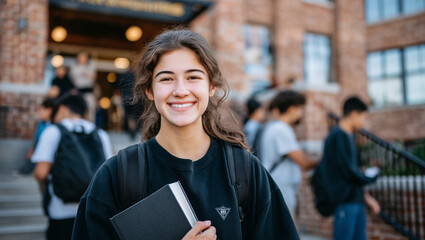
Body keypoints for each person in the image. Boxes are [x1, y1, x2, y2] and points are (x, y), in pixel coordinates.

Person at [72, 29, 299, 240]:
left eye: (193, 77)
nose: (180, 91)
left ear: (211, 87)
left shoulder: (246, 171)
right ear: (149, 90)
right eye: (166, 78)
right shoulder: (115, 176)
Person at [32, 93, 113, 240]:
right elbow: (109, 172)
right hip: (93, 212)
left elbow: (41, 173)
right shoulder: (100, 134)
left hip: (60, 211)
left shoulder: (53, 131)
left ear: (62, 109)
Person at [318, 96, 380, 240]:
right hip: (345, 203)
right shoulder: (337, 136)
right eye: (362, 117)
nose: (363, 122)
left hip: (356, 201)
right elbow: (347, 172)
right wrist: (369, 178)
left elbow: (354, 170)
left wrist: (367, 198)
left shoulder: (349, 136)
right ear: (353, 114)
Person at [259, 90, 319, 217]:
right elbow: (304, 162)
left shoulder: (273, 128)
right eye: (300, 109)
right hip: (281, 189)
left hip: (278, 188)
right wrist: (325, 158)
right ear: (292, 109)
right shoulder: (281, 129)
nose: (301, 113)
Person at [16, 97, 56, 175]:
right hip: (38, 145)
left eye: (42, 110)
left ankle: (30, 168)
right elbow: (37, 137)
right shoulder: (41, 123)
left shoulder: (54, 126)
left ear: (49, 110)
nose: (40, 113)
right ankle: (29, 167)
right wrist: (32, 149)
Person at [70, 52, 97, 122]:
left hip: (88, 92)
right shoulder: (74, 68)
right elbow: (73, 80)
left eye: (84, 57)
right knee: (78, 109)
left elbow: (94, 79)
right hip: (79, 91)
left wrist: (87, 74)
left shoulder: (90, 67)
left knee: (90, 110)